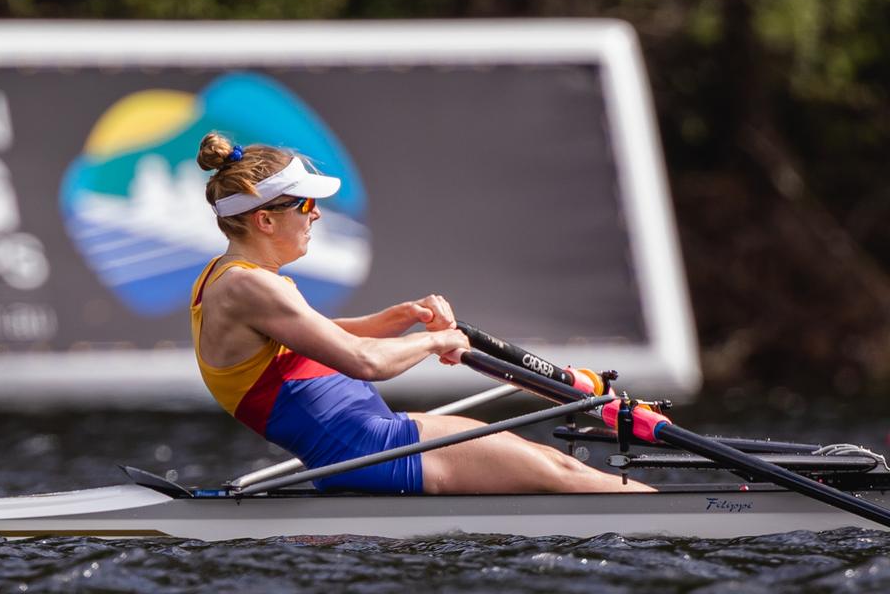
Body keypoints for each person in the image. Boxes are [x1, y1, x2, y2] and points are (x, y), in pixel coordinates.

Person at [190, 132, 652, 495]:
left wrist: (398, 318)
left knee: (560, 467)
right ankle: (709, 518)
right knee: (565, 473)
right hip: (370, 450)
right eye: (306, 205)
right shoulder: (249, 285)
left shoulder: (228, 276)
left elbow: (312, 339)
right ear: (264, 220)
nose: (316, 216)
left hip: (371, 440)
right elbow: (364, 363)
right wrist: (435, 341)